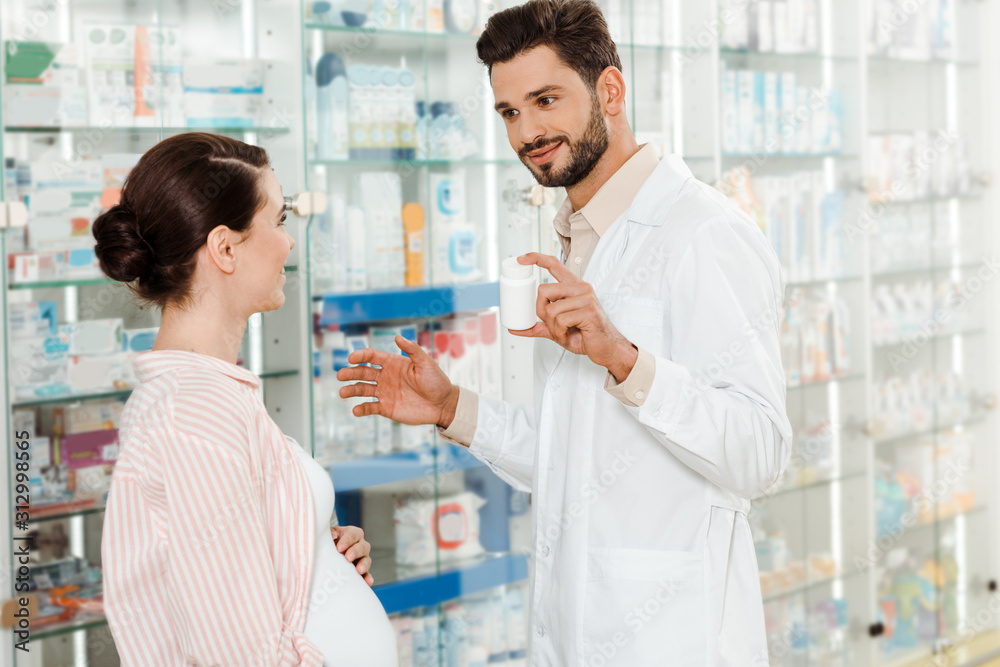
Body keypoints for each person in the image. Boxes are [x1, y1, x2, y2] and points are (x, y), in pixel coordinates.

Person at [335, 0, 792, 665]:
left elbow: (762, 451)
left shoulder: (703, 233)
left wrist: (624, 360)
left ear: (610, 89)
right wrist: (451, 408)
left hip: (674, 638)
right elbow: (572, 458)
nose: (527, 132)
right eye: (510, 112)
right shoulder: (574, 244)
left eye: (546, 99)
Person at [95, 133, 398, 666]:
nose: (289, 242)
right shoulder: (193, 415)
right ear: (225, 248)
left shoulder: (212, 394)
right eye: (279, 220)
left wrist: (316, 553)